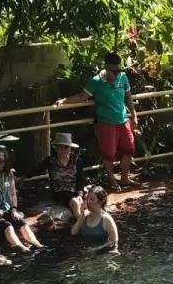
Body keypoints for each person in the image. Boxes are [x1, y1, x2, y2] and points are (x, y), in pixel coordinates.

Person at [54, 52, 138, 190]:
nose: (116, 74)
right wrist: (64, 101)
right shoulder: (96, 81)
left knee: (128, 149)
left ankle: (124, 178)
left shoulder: (123, 77)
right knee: (109, 154)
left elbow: (128, 96)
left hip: (123, 121)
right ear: (106, 68)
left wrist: (133, 115)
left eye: (118, 71)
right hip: (106, 123)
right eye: (114, 71)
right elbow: (82, 96)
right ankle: (112, 180)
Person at [0, 147, 44, 252]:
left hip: (6, 209)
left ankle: (38, 245)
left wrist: (14, 209)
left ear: (5, 163)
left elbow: (13, 194)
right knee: (7, 226)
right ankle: (22, 248)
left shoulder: (8, 174)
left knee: (21, 222)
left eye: (0, 161)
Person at [33, 132, 86, 222]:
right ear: (57, 147)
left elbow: (80, 178)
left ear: (70, 148)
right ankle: (82, 226)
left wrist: (80, 194)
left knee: (85, 200)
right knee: (75, 202)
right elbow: (36, 170)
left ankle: (88, 225)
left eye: (66, 147)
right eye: (61, 146)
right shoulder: (51, 160)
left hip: (75, 190)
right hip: (59, 191)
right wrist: (21, 176)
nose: (64, 149)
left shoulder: (77, 160)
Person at [71, 185, 118, 253]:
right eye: (87, 198)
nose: (88, 201)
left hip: (103, 254)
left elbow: (114, 242)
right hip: (86, 254)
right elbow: (73, 232)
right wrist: (81, 216)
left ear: (100, 202)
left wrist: (94, 250)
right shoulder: (85, 215)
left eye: (92, 199)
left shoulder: (106, 219)